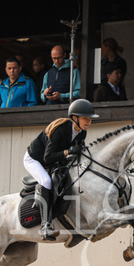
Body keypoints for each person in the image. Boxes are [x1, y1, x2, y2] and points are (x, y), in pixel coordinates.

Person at [24, 99, 98, 240]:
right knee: (46, 181)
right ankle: (45, 226)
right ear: (75, 118)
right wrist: (67, 151)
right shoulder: (61, 130)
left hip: (54, 160)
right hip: (34, 159)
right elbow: (48, 157)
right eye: (85, 119)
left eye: (90, 119)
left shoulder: (82, 132)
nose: (88, 122)